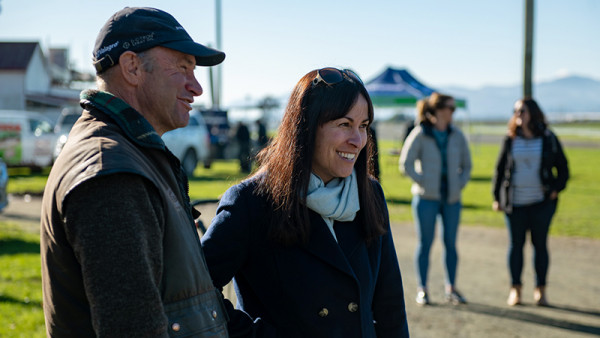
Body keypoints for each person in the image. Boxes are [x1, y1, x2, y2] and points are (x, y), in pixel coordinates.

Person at [40, 7, 229, 337]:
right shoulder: (110, 171)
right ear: (132, 67)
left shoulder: (136, 154)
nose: (197, 88)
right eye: (183, 68)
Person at [201, 67, 409, 337]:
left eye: (364, 126)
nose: (358, 140)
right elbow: (196, 293)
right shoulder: (251, 202)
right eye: (344, 124)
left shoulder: (369, 194)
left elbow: (389, 305)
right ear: (306, 127)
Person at [492, 98, 569, 307]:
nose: (518, 114)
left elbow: (563, 169)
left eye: (522, 111)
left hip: (541, 204)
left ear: (532, 114)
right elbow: (499, 171)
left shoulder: (547, 138)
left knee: (540, 246)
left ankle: (540, 290)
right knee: (516, 246)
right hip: (515, 204)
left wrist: (554, 190)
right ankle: (515, 289)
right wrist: (497, 198)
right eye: (515, 110)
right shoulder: (510, 139)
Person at [399, 92, 472, 306]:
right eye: (451, 108)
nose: (453, 113)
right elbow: (405, 163)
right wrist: (422, 181)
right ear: (438, 110)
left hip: (451, 199)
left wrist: (459, 184)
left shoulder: (457, 135)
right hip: (426, 199)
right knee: (425, 243)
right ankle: (423, 289)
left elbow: (467, 165)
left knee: (451, 243)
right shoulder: (420, 133)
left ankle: (451, 288)